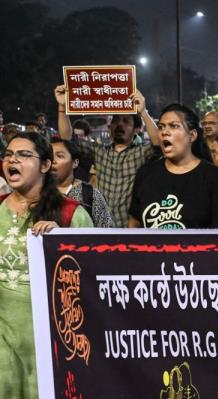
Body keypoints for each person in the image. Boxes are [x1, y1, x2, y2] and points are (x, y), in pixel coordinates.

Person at [0, 132, 93, 397]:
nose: (12, 160)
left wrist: (63, 240)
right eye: (8, 154)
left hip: (50, 339)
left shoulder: (70, 215)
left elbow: (91, 280)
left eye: (23, 155)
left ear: (45, 165)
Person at [55, 85, 161, 227]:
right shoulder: (99, 152)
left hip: (132, 229)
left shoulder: (141, 152)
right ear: (109, 127)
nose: (119, 125)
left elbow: (159, 144)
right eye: (116, 121)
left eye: (126, 121)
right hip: (102, 229)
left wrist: (143, 112)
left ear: (136, 129)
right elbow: (67, 139)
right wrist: (62, 107)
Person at [129, 104, 218, 229]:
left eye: (174, 126)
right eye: (161, 127)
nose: (165, 132)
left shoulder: (214, 177)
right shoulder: (145, 173)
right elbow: (134, 223)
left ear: (192, 136)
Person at [50, 138, 114, 227]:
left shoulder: (91, 194)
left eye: (60, 156)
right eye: (49, 156)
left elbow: (107, 232)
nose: (52, 161)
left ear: (75, 163)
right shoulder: (37, 194)